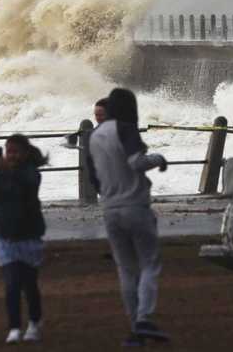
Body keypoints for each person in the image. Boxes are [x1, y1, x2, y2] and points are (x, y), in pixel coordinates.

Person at [85, 87, 169, 346]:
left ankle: (134, 329)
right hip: (135, 205)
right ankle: (144, 318)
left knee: (126, 269)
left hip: (110, 208)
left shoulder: (95, 136)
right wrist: (159, 158)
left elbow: (93, 178)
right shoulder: (125, 128)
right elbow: (136, 162)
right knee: (149, 264)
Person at [0, 134, 48, 344]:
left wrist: (7, 171)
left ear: (24, 153)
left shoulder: (31, 173)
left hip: (29, 236)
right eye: (8, 151)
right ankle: (14, 328)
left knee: (29, 284)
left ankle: (34, 321)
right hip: (5, 237)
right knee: (12, 283)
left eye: (15, 152)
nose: (10, 156)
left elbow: (26, 185)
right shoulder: (0, 174)